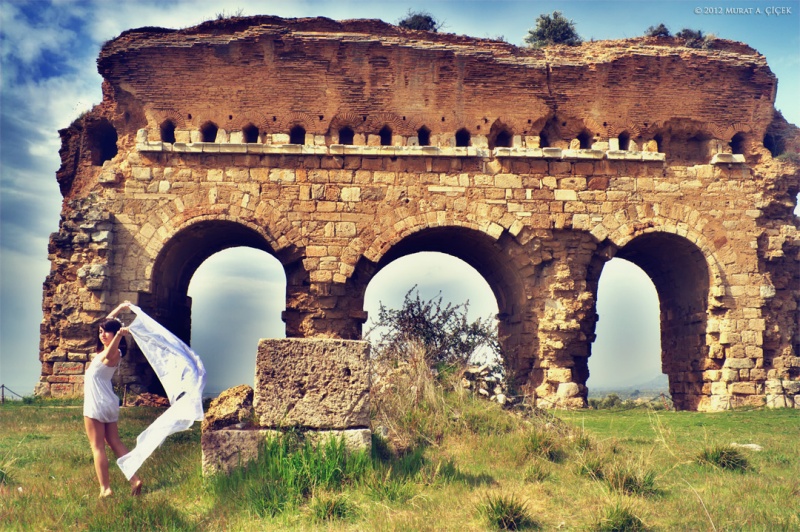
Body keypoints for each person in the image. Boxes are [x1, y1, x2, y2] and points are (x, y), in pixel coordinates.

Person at [83, 301, 143, 498]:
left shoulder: (114, 352)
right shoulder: (107, 348)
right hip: (108, 401)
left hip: (97, 403)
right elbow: (108, 323)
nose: (102, 334)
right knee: (114, 442)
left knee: (97, 447)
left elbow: (110, 348)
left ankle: (105, 489)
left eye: (106, 332)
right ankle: (134, 479)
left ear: (115, 334)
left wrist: (118, 334)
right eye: (100, 331)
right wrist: (119, 308)